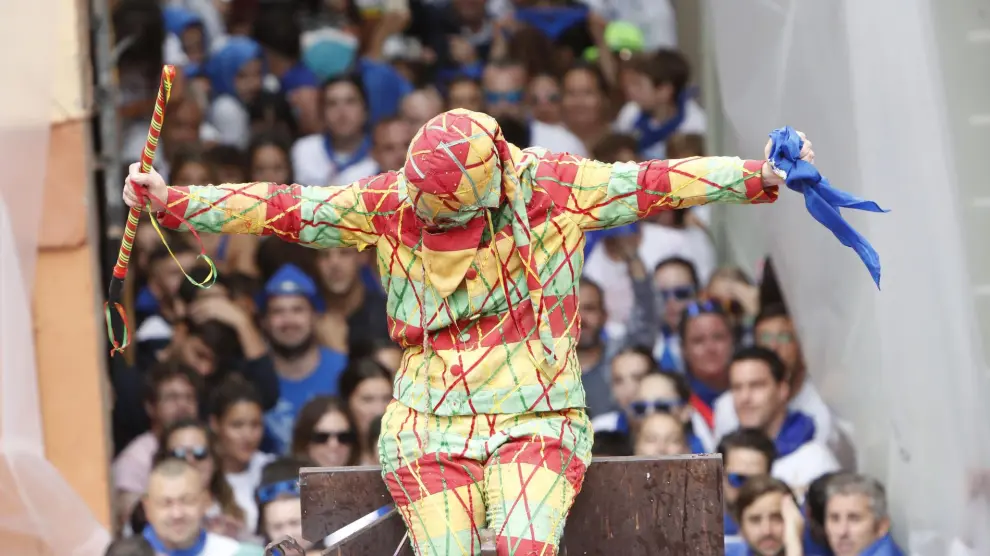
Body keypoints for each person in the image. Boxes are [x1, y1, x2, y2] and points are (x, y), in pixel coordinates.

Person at [123, 108, 814, 555]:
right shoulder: (392, 201)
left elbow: (659, 181)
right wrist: (173, 201)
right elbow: (285, 207)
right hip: (428, 423)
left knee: (524, 549)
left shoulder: (553, 186)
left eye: (453, 223)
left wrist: (761, 174)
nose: (439, 236)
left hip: (537, 416)